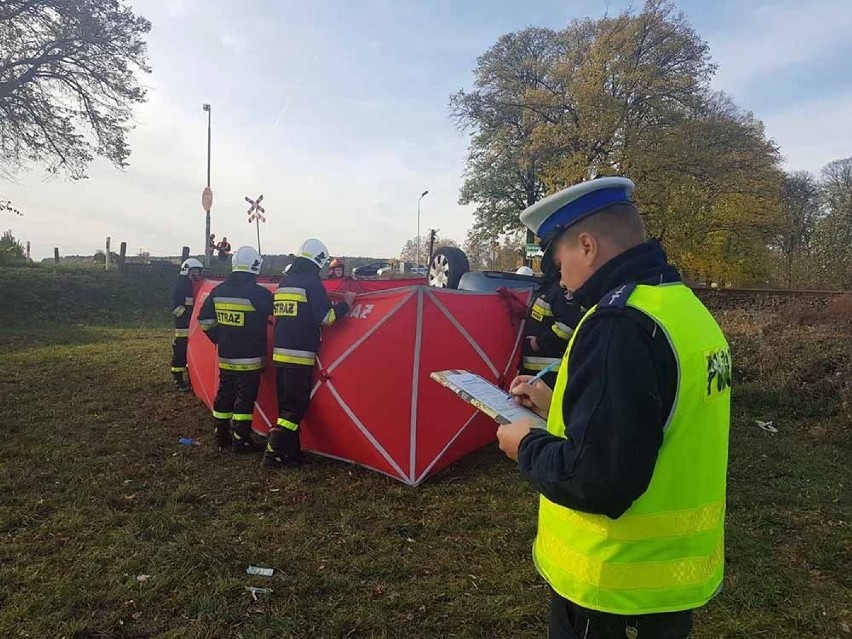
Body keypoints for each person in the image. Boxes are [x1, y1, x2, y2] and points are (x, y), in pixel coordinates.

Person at [496, 177, 731, 639]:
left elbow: (597, 481)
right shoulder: (681, 306)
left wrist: (526, 443)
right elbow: (656, 418)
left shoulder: (617, 324)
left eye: (557, 257)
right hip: (671, 580)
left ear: (586, 246)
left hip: (609, 582)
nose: (557, 274)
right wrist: (553, 405)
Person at [263, 239, 356, 469]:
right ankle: (272, 452)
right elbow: (326, 318)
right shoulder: (312, 283)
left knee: (286, 407)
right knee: (295, 408)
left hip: (280, 353)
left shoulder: (285, 283)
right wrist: (346, 304)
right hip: (299, 354)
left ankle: (291, 455)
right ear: (317, 261)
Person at [197, 246, 274, 453]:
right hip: (250, 358)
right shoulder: (259, 293)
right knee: (244, 398)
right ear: (255, 266)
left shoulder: (218, 291)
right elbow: (277, 312)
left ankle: (221, 436)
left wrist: (220, 338)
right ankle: (241, 440)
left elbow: (204, 321)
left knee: (225, 394)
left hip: (227, 356)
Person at [518, 258, 583, 389]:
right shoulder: (549, 288)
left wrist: (538, 343)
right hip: (533, 370)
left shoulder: (563, 292)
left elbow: (567, 326)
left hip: (550, 373)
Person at [170, 258, 203, 392]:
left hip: (192, 328)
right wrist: (188, 316)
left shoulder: (192, 286)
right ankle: (178, 379)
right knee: (180, 353)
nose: (198, 274)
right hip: (183, 327)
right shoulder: (180, 286)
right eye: (195, 271)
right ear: (187, 270)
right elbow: (174, 306)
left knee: (192, 353)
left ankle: (191, 378)